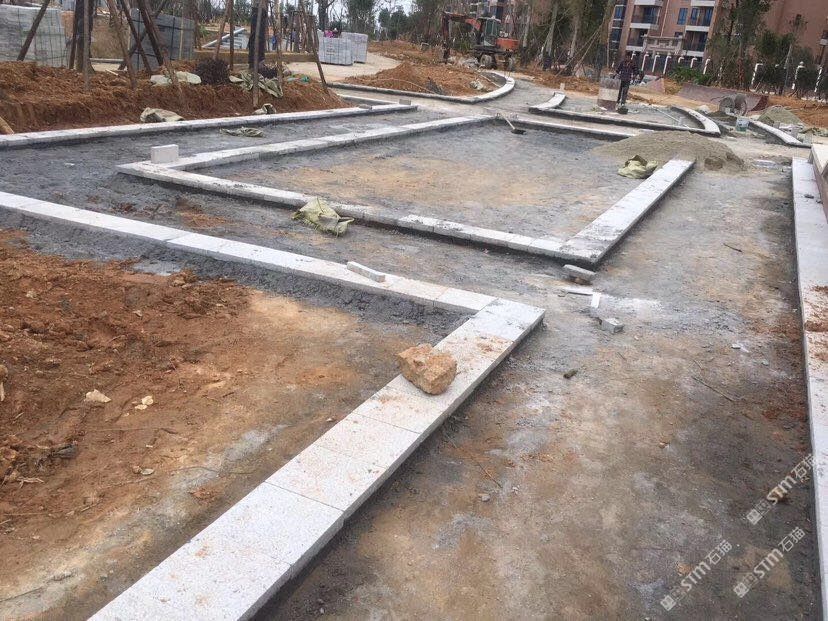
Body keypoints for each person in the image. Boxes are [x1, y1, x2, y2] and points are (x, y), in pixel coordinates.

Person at [247, 3, 268, 69]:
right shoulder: (257, 15)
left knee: (257, 39)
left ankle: (255, 64)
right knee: (256, 39)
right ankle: (255, 65)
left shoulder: (258, 16)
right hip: (258, 10)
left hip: (259, 10)